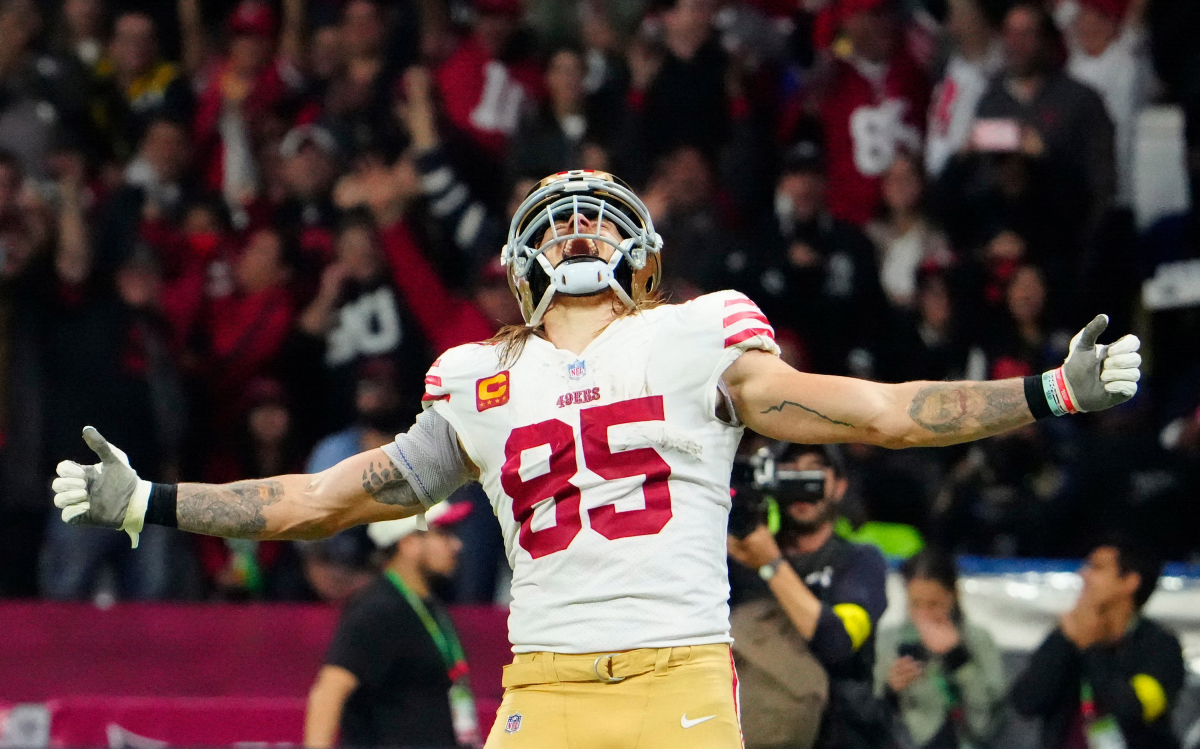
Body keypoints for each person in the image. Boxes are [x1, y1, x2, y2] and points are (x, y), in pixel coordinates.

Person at [53, 169, 1142, 748]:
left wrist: (1048, 391)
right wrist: (151, 499)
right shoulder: (475, 377)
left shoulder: (701, 334)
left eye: (599, 222)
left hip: (677, 680)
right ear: (521, 261)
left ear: (645, 257)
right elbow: (323, 499)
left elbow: (879, 413)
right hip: (546, 688)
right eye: (557, 224)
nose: (578, 233)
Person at [727, 443, 891, 747]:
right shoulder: (741, 556)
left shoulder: (859, 560)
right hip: (754, 727)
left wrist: (770, 564)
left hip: (840, 732)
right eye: (789, 471)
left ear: (839, 486)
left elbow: (839, 641)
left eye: (813, 471)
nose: (801, 484)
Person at [304, 498, 477, 749]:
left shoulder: (426, 604)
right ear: (409, 544)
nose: (457, 544)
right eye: (443, 534)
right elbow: (329, 692)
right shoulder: (378, 609)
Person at [1011, 536, 1185, 748]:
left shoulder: (1160, 646)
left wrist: (1090, 649)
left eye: (1097, 568)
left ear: (1130, 582)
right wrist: (1063, 640)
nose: (1083, 574)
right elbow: (1025, 703)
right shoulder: (1069, 636)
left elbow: (1132, 712)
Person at [875, 549, 1006, 748]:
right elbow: (871, 718)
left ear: (953, 596)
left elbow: (989, 721)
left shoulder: (977, 639)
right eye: (915, 604)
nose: (924, 615)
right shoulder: (890, 640)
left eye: (933, 604)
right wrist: (890, 691)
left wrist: (958, 660)